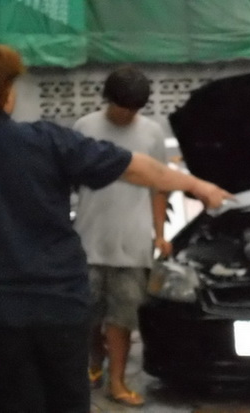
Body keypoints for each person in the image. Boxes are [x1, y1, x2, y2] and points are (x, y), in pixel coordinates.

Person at [0, 43, 233, 413]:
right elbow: (136, 168)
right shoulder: (45, 141)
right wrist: (199, 186)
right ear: (5, 92)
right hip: (57, 305)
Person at [72, 65, 170, 407]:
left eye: (134, 109)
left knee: (122, 319)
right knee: (86, 317)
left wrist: (160, 235)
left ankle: (117, 381)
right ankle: (93, 361)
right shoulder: (84, 128)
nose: (128, 114)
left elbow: (160, 186)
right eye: (122, 107)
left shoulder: (152, 133)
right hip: (88, 241)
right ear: (108, 99)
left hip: (133, 243)